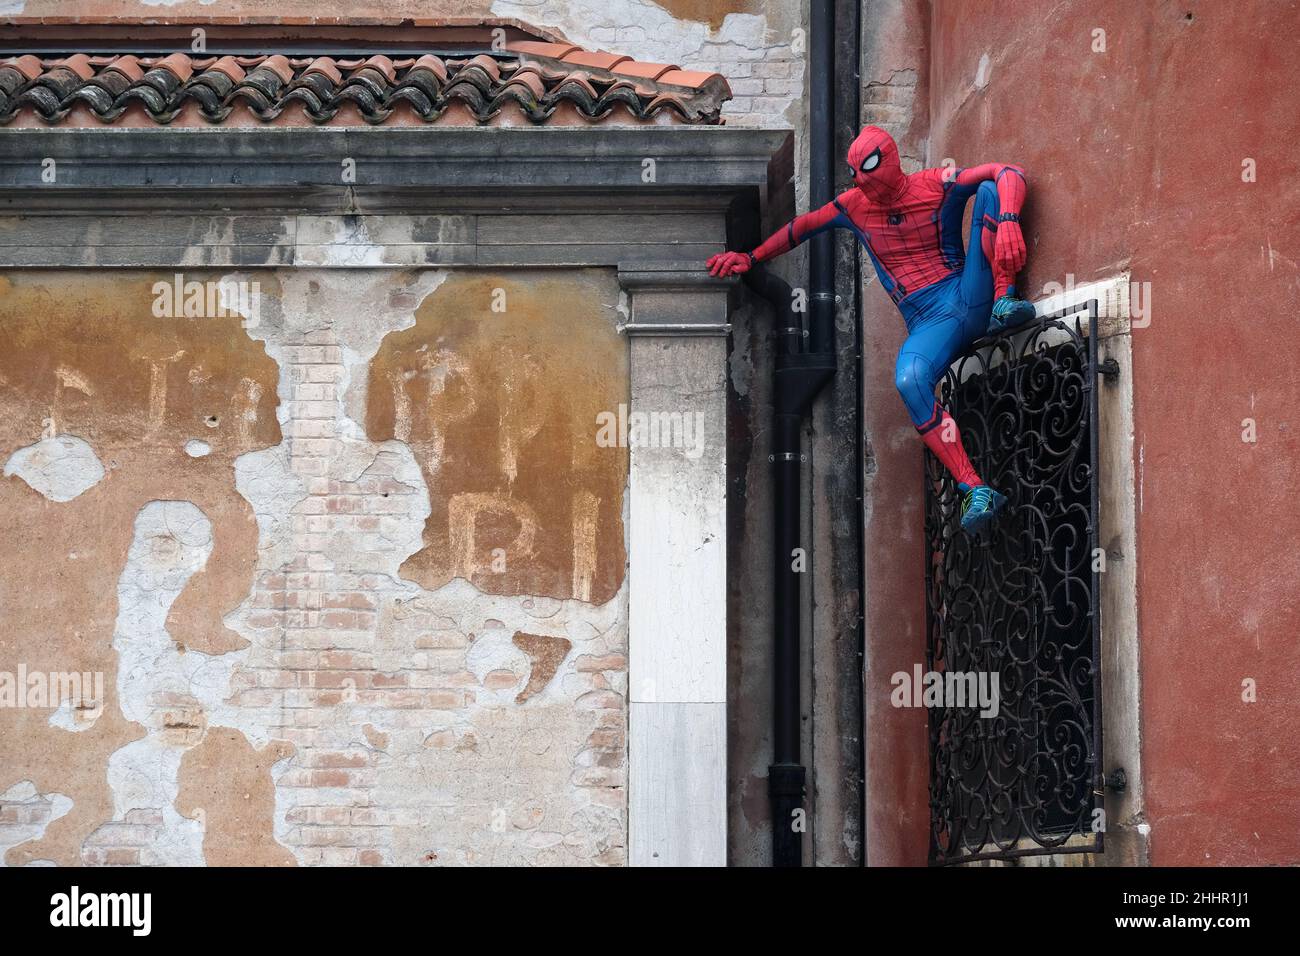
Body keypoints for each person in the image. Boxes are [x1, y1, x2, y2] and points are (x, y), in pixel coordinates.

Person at [707, 125, 1036, 532]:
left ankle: (1005, 298)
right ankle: (974, 487)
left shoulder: (936, 184)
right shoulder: (853, 206)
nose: (862, 181)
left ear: (891, 161)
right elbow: (802, 228)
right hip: (927, 321)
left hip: (968, 292)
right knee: (910, 380)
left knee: (988, 187)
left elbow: (1008, 172)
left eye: (869, 170)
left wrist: (1007, 220)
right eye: (854, 174)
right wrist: (751, 257)